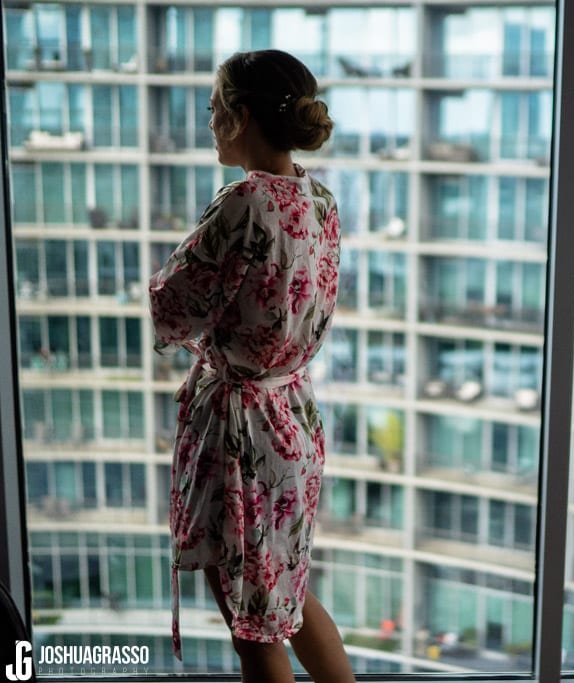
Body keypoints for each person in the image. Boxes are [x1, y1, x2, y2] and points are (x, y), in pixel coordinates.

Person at [149, 50, 355, 683]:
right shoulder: (318, 201)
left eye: (215, 109)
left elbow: (171, 306)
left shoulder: (244, 202)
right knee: (284, 600)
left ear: (240, 115)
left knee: (251, 625)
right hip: (291, 420)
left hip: (242, 437)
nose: (210, 121)